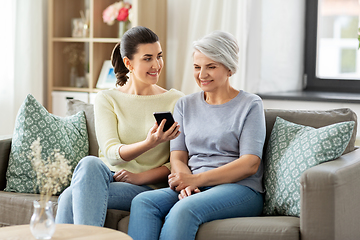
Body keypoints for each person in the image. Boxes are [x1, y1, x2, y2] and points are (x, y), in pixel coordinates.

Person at [127, 31, 266, 240]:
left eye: (211, 67)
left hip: (240, 189)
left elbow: (250, 164)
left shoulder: (250, 105)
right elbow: (178, 156)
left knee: (185, 209)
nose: (202, 74)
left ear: (229, 68)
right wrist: (187, 182)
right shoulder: (185, 105)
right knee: (144, 202)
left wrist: (195, 179)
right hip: (195, 185)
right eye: (197, 67)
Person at [55, 26, 184, 227]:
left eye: (159, 56)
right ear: (128, 63)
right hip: (108, 177)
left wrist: (139, 177)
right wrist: (149, 143)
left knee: (69, 196)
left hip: (147, 187)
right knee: (89, 163)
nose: (157, 65)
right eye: (147, 58)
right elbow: (111, 153)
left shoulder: (176, 100)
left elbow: (178, 161)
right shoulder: (107, 99)